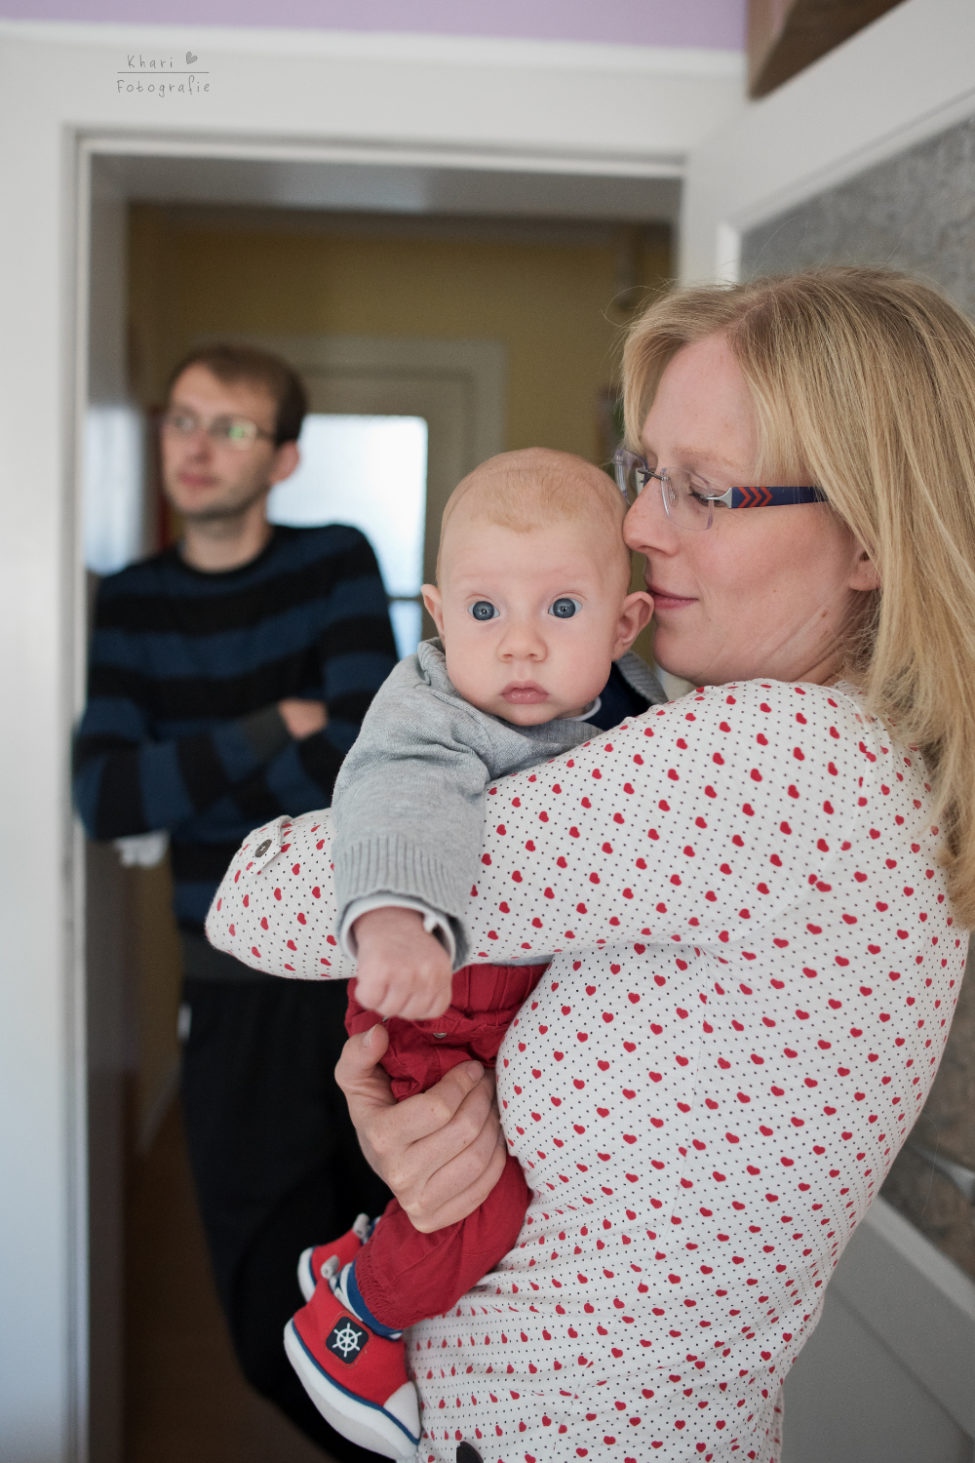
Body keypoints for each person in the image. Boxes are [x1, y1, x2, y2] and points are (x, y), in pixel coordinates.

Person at [205, 267, 975, 1463]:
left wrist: (428, 704)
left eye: (706, 489)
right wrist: (432, 1138)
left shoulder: (779, 760)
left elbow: (257, 898)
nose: (641, 527)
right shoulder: (854, 763)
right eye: (644, 471)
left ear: (870, 532)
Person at [280, 449, 659, 1457]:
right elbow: (394, 792)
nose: (520, 643)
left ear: (626, 624)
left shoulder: (637, 717)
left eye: (562, 609)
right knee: (480, 1213)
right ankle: (350, 1323)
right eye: (485, 611)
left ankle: (354, 1256)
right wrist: (393, 921)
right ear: (441, 617)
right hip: (433, 1008)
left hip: (505, 1015)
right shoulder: (433, 705)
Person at [73, 342, 398, 1460]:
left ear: (283, 457)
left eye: (232, 427)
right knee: (269, 1321)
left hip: (369, 978)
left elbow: (364, 767)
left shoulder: (333, 561)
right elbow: (108, 796)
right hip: (229, 988)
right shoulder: (132, 601)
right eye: (183, 419)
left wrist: (205, 767)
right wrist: (278, 724)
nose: (196, 445)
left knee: (413, 1274)